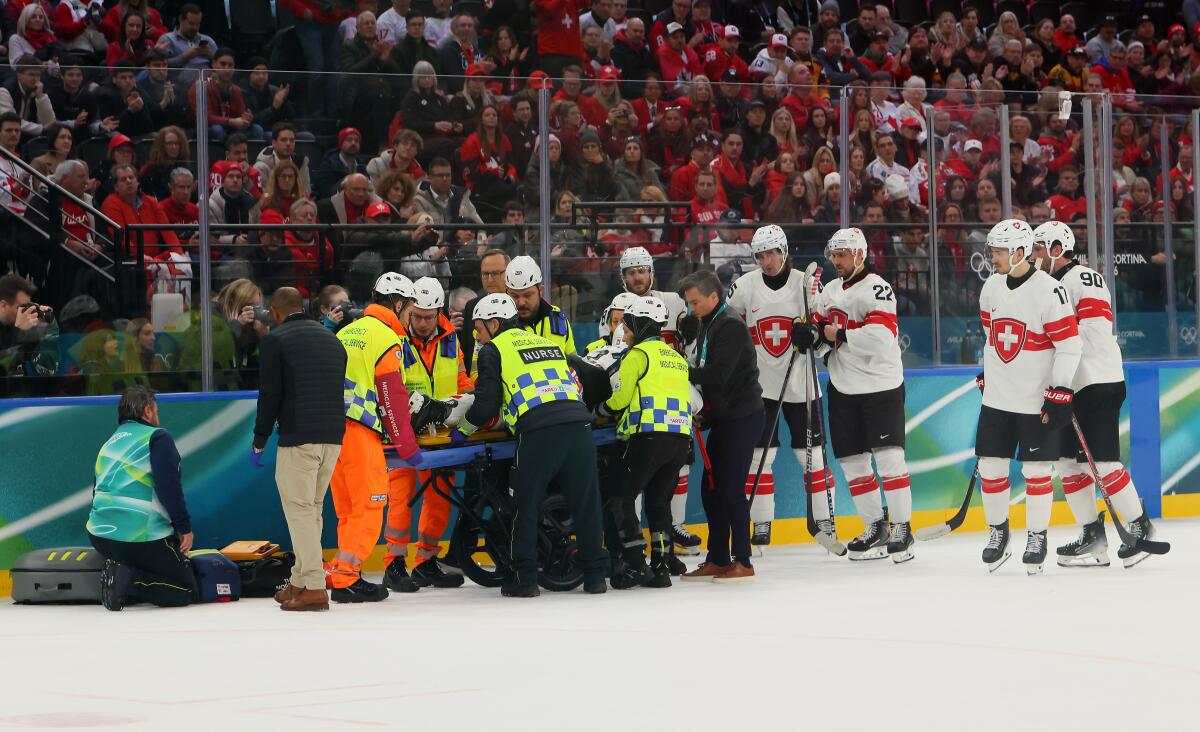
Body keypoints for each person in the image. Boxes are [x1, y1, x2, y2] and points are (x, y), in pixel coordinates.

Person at [449, 293, 607, 597]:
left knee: (526, 506)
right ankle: (595, 577)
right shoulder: (548, 344)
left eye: (478, 329)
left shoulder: (493, 350)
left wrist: (463, 430)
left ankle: (525, 579)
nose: (477, 337)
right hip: (579, 425)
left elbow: (486, 404)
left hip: (539, 430)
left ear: (494, 324)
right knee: (585, 503)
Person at [1030, 222, 1160, 568]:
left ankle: (1141, 528)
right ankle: (1092, 537)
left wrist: (1052, 338)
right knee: (1067, 463)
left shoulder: (1085, 278)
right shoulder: (1045, 285)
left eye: (1039, 247)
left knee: (1102, 462)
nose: (1033, 255)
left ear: (1057, 248)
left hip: (1097, 381)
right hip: (1068, 386)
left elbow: (1094, 332)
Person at [793, 227, 914, 561]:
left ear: (860, 255)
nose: (836, 260)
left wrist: (839, 333)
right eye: (834, 255)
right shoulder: (830, 291)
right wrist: (810, 338)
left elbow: (882, 337)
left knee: (889, 460)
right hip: (843, 388)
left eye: (842, 255)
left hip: (881, 387)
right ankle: (875, 526)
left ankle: (902, 527)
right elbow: (821, 337)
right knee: (853, 462)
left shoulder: (878, 288)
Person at [973, 220, 1081, 573]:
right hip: (998, 400)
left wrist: (1061, 389)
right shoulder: (990, 287)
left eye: (999, 252)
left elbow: (1069, 345)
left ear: (1020, 252)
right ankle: (998, 533)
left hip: (1035, 401)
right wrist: (990, 372)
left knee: (1036, 471)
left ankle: (1037, 536)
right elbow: (992, 337)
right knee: (991, 467)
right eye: (992, 251)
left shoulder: (1050, 290)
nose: (993, 258)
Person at [726, 225, 827, 549]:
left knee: (812, 457)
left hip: (801, 384)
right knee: (759, 456)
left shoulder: (806, 284)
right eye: (760, 255)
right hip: (759, 387)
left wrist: (812, 336)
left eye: (771, 253)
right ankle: (761, 522)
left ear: (784, 251)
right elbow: (729, 328)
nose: (766, 261)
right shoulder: (744, 286)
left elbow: (823, 333)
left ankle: (824, 520)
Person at [328, 272, 423, 602]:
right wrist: (407, 446)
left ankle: (344, 571)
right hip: (360, 430)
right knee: (369, 505)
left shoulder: (346, 331)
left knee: (347, 508)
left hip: (332, 432)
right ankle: (346, 577)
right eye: (409, 308)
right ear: (397, 304)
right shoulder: (385, 338)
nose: (410, 316)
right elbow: (391, 396)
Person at [250, 287, 347, 612]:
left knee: (301, 511)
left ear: (276, 312)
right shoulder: (332, 339)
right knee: (312, 510)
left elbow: (270, 395)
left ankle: (315, 587)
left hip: (299, 436)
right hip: (333, 436)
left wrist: (260, 438)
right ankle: (300, 580)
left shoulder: (275, 340)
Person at [383, 277, 474, 592]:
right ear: (409, 310)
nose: (422, 323)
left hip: (440, 433)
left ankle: (426, 561)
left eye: (428, 317)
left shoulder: (451, 339)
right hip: (403, 431)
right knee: (400, 497)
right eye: (417, 316)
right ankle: (394, 563)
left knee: (439, 497)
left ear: (439, 313)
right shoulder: (395, 339)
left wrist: (466, 398)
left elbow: (462, 380)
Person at [678, 269, 764, 582]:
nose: (691, 309)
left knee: (729, 489)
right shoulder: (709, 322)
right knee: (712, 489)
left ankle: (743, 560)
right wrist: (709, 416)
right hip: (726, 417)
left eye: (695, 302)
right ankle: (717, 558)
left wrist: (679, 371)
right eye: (688, 304)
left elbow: (719, 374)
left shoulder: (730, 325)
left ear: (714, 296)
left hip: (743, 417)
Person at [602, 297, 692, 588]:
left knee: (621, 498)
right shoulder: (676, 358)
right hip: (679, 440)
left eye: (628, 326)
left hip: (649, 437)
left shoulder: (637, 355)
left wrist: (601, 407)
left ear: (641, 326)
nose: (625, 332)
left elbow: (620, 399)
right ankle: (662, 567)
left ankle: (635, 564)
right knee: (658, 503)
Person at [88, 386, 197, 611]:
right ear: (147, 411)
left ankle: (122, 575)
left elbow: (96, 492)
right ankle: (127, 582)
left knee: (147, 563)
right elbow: (168, 487)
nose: (157, 415)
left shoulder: (109, 443)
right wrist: (184, 527)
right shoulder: (157, 437)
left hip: (100, 537)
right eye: (156, 410)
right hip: (139, 537)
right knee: (186, 589)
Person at [504, 255, 576, 356]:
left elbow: (573, 361)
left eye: (527, 295)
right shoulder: (498, 324)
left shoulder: (557, 318)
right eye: (514, 296)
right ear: (506, 293)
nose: (521, 302)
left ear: (540, 291)